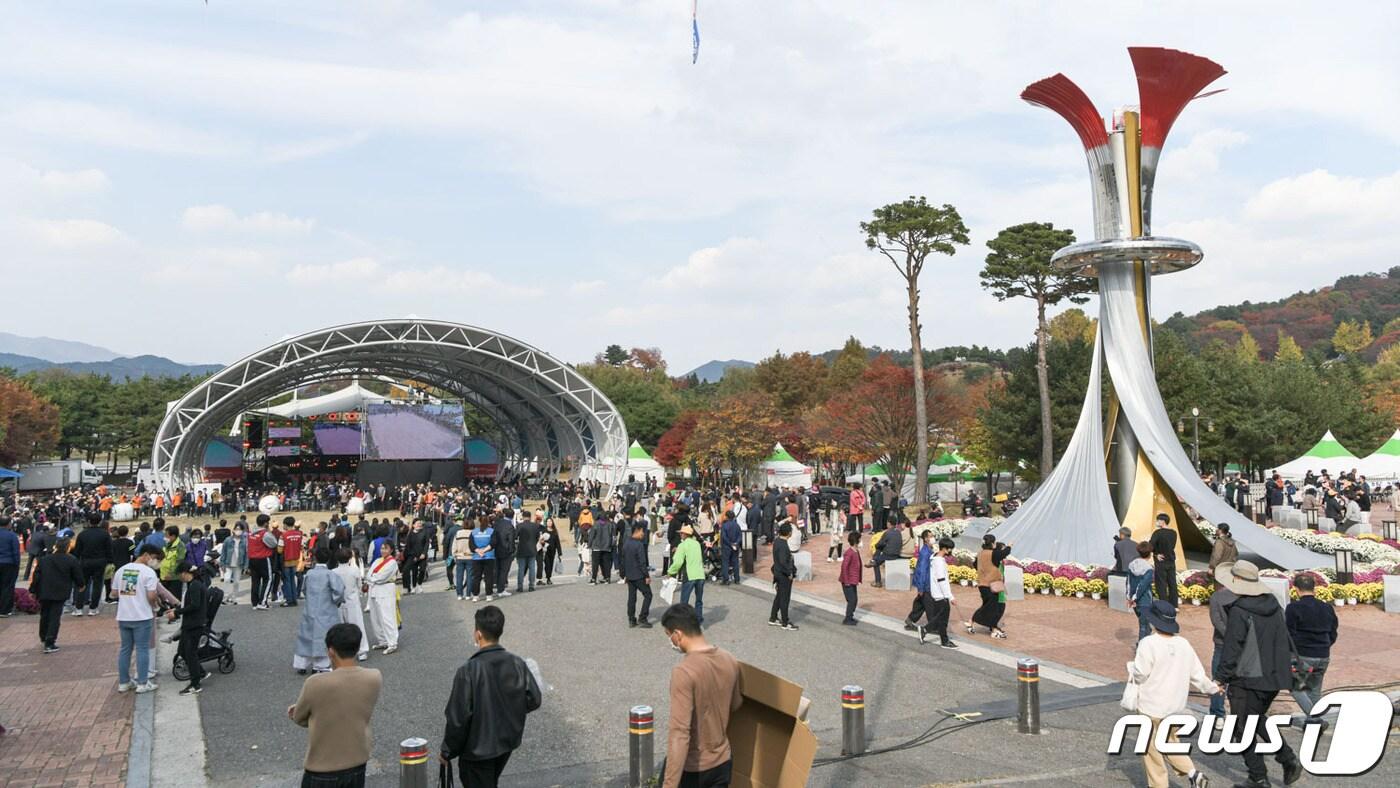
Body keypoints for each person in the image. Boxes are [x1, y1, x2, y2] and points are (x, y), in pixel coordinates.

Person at [1214, 560, 1305, 788]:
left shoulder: (1240, 610)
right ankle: (1285, 759)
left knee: (1241, 726)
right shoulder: (1273, 603)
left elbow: (1233, 647)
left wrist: (1220, 677)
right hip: (1274, 675)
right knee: (1256, 719)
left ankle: (1259, 776)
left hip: (1247, 677)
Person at [441, 605, 542, 788]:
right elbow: (534, 698)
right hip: (505, 742)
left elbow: (458, 719)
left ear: (478, 634)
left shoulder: (468, 670)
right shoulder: (516, 662)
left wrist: (447, 751)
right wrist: (510, 708)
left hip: (477, 750)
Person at [1127, 600, 1217, 788]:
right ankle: (1193, 773)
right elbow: (1197, 674)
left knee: (1151, 749)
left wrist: (1132, 668)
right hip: (1175, 706)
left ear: (1153, 622)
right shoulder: (1184, 644)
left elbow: (1141, 673)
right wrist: (1212, 688)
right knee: (1170, 742)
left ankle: (1159, 785)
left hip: (1151, 704)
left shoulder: (1148, 643)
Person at [289, 623, 383, 788]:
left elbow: (299, 718)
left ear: (331, 651)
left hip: (322, 768)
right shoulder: (374, 677)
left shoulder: (315, 683)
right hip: (357, 761)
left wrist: (299, 711)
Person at [661, 603, 743, 788]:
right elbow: (736, 704)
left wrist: (669, 784)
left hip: (693, 769)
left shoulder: (683, 671)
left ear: (678, 634)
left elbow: (679, 733)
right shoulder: (729, 659)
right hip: (723, 762)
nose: (671, 642)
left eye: (669, 636)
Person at [1285, 572, 1338, 727]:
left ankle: (1315, 718)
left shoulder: (1293, 608)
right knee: (1314, 690)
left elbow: (1289, 634)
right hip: (1323, 654)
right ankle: (1312, 723)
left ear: (1296, 589)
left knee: (1295, 687)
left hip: (1303, 655)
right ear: (1314, 588)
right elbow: (1333, 631)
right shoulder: (1327, 607)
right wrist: (1325, 645)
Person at [113, 544, 164, 693]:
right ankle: (142, 682)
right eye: (155, 558)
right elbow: (151, 595)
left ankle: (124, 682)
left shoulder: (121, 570)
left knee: (125, 649)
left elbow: (114, 593)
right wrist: (155, 606)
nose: (155, 562)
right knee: (142, 649)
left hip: (124, 615)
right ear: (147, 555)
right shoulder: (148, 572)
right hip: (142, 615)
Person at [30, 535, 83, 653]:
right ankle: (50, 641)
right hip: (60, 590)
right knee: (55, 616)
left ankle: (43, 636)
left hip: (44, 590)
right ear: (68, 547)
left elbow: (36, 576)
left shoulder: (44, 559)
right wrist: (81, 585)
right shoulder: (71, 559)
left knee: (45, 614)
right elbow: (77, 575)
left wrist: (33, 590)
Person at [1206, 563, 1239, 726]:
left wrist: (1227, 635)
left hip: (1221, 643)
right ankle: (1236, 713)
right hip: (1239, 643)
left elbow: (1216, 620)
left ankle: (1217, 714)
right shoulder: (1241, 595)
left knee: (1218, 679)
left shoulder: (1216, 597)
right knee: (1238, 680)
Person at [168, 562, 208, 694]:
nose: (179, 577)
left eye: (180, 574)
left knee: (190, 653)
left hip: (194, 625)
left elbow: (195, 605)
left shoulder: (195, 586)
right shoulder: (193, 584)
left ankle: (195, 684)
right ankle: (201, 672)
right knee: (183, 651)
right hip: (190, 624)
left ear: (185, 573)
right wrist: (178, 610)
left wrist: (177, 613)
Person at [966, 534, 1011, 639]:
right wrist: (1010, 546)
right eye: (994, 542)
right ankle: (972, 621)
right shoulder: (992, 554)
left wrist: (984, 572)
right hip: (991, 585)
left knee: (989, 606)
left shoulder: (980, 553)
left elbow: (975, 564)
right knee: (991, 607)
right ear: (992, 543)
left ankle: (993, 628)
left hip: (982, 584)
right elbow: (1004, 553)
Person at [331, 548, 370, 661]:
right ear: (349, 558)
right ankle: (362, 650)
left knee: (340, 628)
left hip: (338, 602)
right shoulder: (354, 570)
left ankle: (340, 652)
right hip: (352, 600)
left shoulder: (333, 572)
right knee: (357, 625)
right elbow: (359, 585)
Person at [72, 512, 113, 617]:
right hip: (100, 562)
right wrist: (110, 561)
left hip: (85, 561)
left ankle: (78, 608)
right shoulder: (105, 534)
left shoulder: (82, 534)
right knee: (97, 585)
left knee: (82, 585)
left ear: (89, 521)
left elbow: (77, 551)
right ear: (99, 522)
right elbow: (109, 549)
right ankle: (93, 608)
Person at [365, 541, 400, 655]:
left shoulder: (392, 562)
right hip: (374, 590)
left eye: (386, 548)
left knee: (387, 617)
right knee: (376, 618)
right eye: (382, 548)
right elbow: (369, 574)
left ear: (391, 550)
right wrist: (371, 578)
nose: (383, 551)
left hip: (385, 589)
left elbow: (381, 577)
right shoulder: (377, 561)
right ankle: (382, 640)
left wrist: (371, 579)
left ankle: (392, 642)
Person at [668, 524, 707, 626]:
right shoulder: (696, 544)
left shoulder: (682, 545)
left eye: (681, 533)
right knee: (699, 600)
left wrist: (671, 572)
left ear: (685, 534)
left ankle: (683, 622)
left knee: (684, 602)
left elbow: (678, 562)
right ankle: (699, 620)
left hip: (690, 575)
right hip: (700, 574)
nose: (680, 535)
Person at [622, 523, 653, 628]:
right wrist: (647, 576)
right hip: (639, 575)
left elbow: (623, 560)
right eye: (642, 531)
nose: (643, 534)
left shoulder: (626, 543)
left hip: (630, 575)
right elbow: (642, 562)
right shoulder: (639, 544)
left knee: (632, 597)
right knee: (648, 595)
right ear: (638, 530)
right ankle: (642, 618)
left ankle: (631, 619)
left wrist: (624, 575)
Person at [768, 523, 798, 631]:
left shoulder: (777, 542)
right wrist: (789, 572)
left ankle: (773, 617)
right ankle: (785, 622)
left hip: (777, 572)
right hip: (783, 575)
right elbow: (783, 561)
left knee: (779, 596)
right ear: (789, 533)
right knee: (785, 598)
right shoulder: (783, 545)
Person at [248, 514, 278, 610]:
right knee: (268, 579)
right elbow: (274, 544)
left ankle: (255, 602)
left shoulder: (251, 533)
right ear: (265, 523)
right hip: (263, 559)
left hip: (252, 559)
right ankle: (263, 602)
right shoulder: (265, 534)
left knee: (255, 581)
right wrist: (269, 531)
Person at [1128, 542, 1156, 641]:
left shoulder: (1132, 565)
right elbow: (1143, 585)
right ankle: (1141, 647)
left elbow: (1128, 582)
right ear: (1150, 554)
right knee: (1143, 625)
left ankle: (1147, 640)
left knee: (1143, 622)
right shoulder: (1149, 569)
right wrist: (1136, 596)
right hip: (1144, 599)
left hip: (1133, 599)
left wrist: (1130, 597)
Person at [1149, 513, 1178, 607]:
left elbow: (1150, 545)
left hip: (1161, 561)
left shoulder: (1157, 533)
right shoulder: (1174, 533)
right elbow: (1171, 546)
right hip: (1171, 560)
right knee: (1172, 583)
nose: (1156, 522)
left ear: (1162, 521)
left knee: (1161, 584)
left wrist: (1155, 554)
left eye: (1158, 520)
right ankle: (1174, 605)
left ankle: (1164, 605)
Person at [0, 516, 23, 617]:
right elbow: (15, 552)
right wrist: (17, 564)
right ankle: (5, 610)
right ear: (8, 524)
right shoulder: (12, 536)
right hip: (9, 563)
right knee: (8, 586)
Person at [871, 517, 903, 588]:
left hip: (888, 555)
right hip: (897, 554)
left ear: (889, 523)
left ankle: (878, 581)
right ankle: (874, 559)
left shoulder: (887, 533)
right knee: (881, 547)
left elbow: (879, 544)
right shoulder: (899, 532)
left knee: (875, 562)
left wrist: (877, 546)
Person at [470, 517, 496, 602]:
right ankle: (489, 595)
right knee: (488, 576)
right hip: (489, 556)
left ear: (479, 521)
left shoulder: (474, 532)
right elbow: (493, 543)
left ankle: (475, 595)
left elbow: (471, 545)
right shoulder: (491, 531)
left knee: (476, 577)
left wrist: (478, 551)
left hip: (477, 557)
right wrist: (484, 550)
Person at [221, 522, 248, 604]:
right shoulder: (228, 540)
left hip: (239, 564)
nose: (238, 531)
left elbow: (247, 554)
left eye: (240, 529)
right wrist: (222, 563)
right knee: (227, 579)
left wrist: (246, 566)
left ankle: (234, 597)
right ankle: (225, 597)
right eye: (236, 529)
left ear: (243, 531)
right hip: (228, 563)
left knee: (236, 582)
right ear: (233, 530)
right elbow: (223, 552)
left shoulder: (245, 541)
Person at [838, 530, 862, 625]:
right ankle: (848, 618)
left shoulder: (856, 551)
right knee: (852, 600)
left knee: (854, 599)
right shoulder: (849, 553)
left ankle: (850, 616)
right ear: (856, 541)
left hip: (853, 580)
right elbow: (844, 567)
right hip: (848, 581)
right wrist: (847, 581)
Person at [515, 513, 540, 593]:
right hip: (532, 549)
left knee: (521, 569)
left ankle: (520, 586)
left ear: (523, 517)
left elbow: (515, 536)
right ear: (530, 517)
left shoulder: (519, 526)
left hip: (522, 549)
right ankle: (531, 586)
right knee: (532, 568)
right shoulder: (535, 526)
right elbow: (537, 537)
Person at [451, 521, 475, 600]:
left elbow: (454, 545)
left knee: (459, 576)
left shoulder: (458, 533)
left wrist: (455, 554)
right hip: (470, 556)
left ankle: (459, 594)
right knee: (470, 576)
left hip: (460, 556)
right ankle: (468, 594)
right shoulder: (473, 533)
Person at [719, 509, 741, 586]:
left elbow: (724, 537)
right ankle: (737, 579)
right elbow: (739, 536)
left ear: (727, 517)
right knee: (735, 563)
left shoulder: (724, 525)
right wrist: (736, 543)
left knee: (725, 563)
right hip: (735, 546)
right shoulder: (737, 525)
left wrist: (730, 543)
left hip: (726, 546)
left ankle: (726, 579)